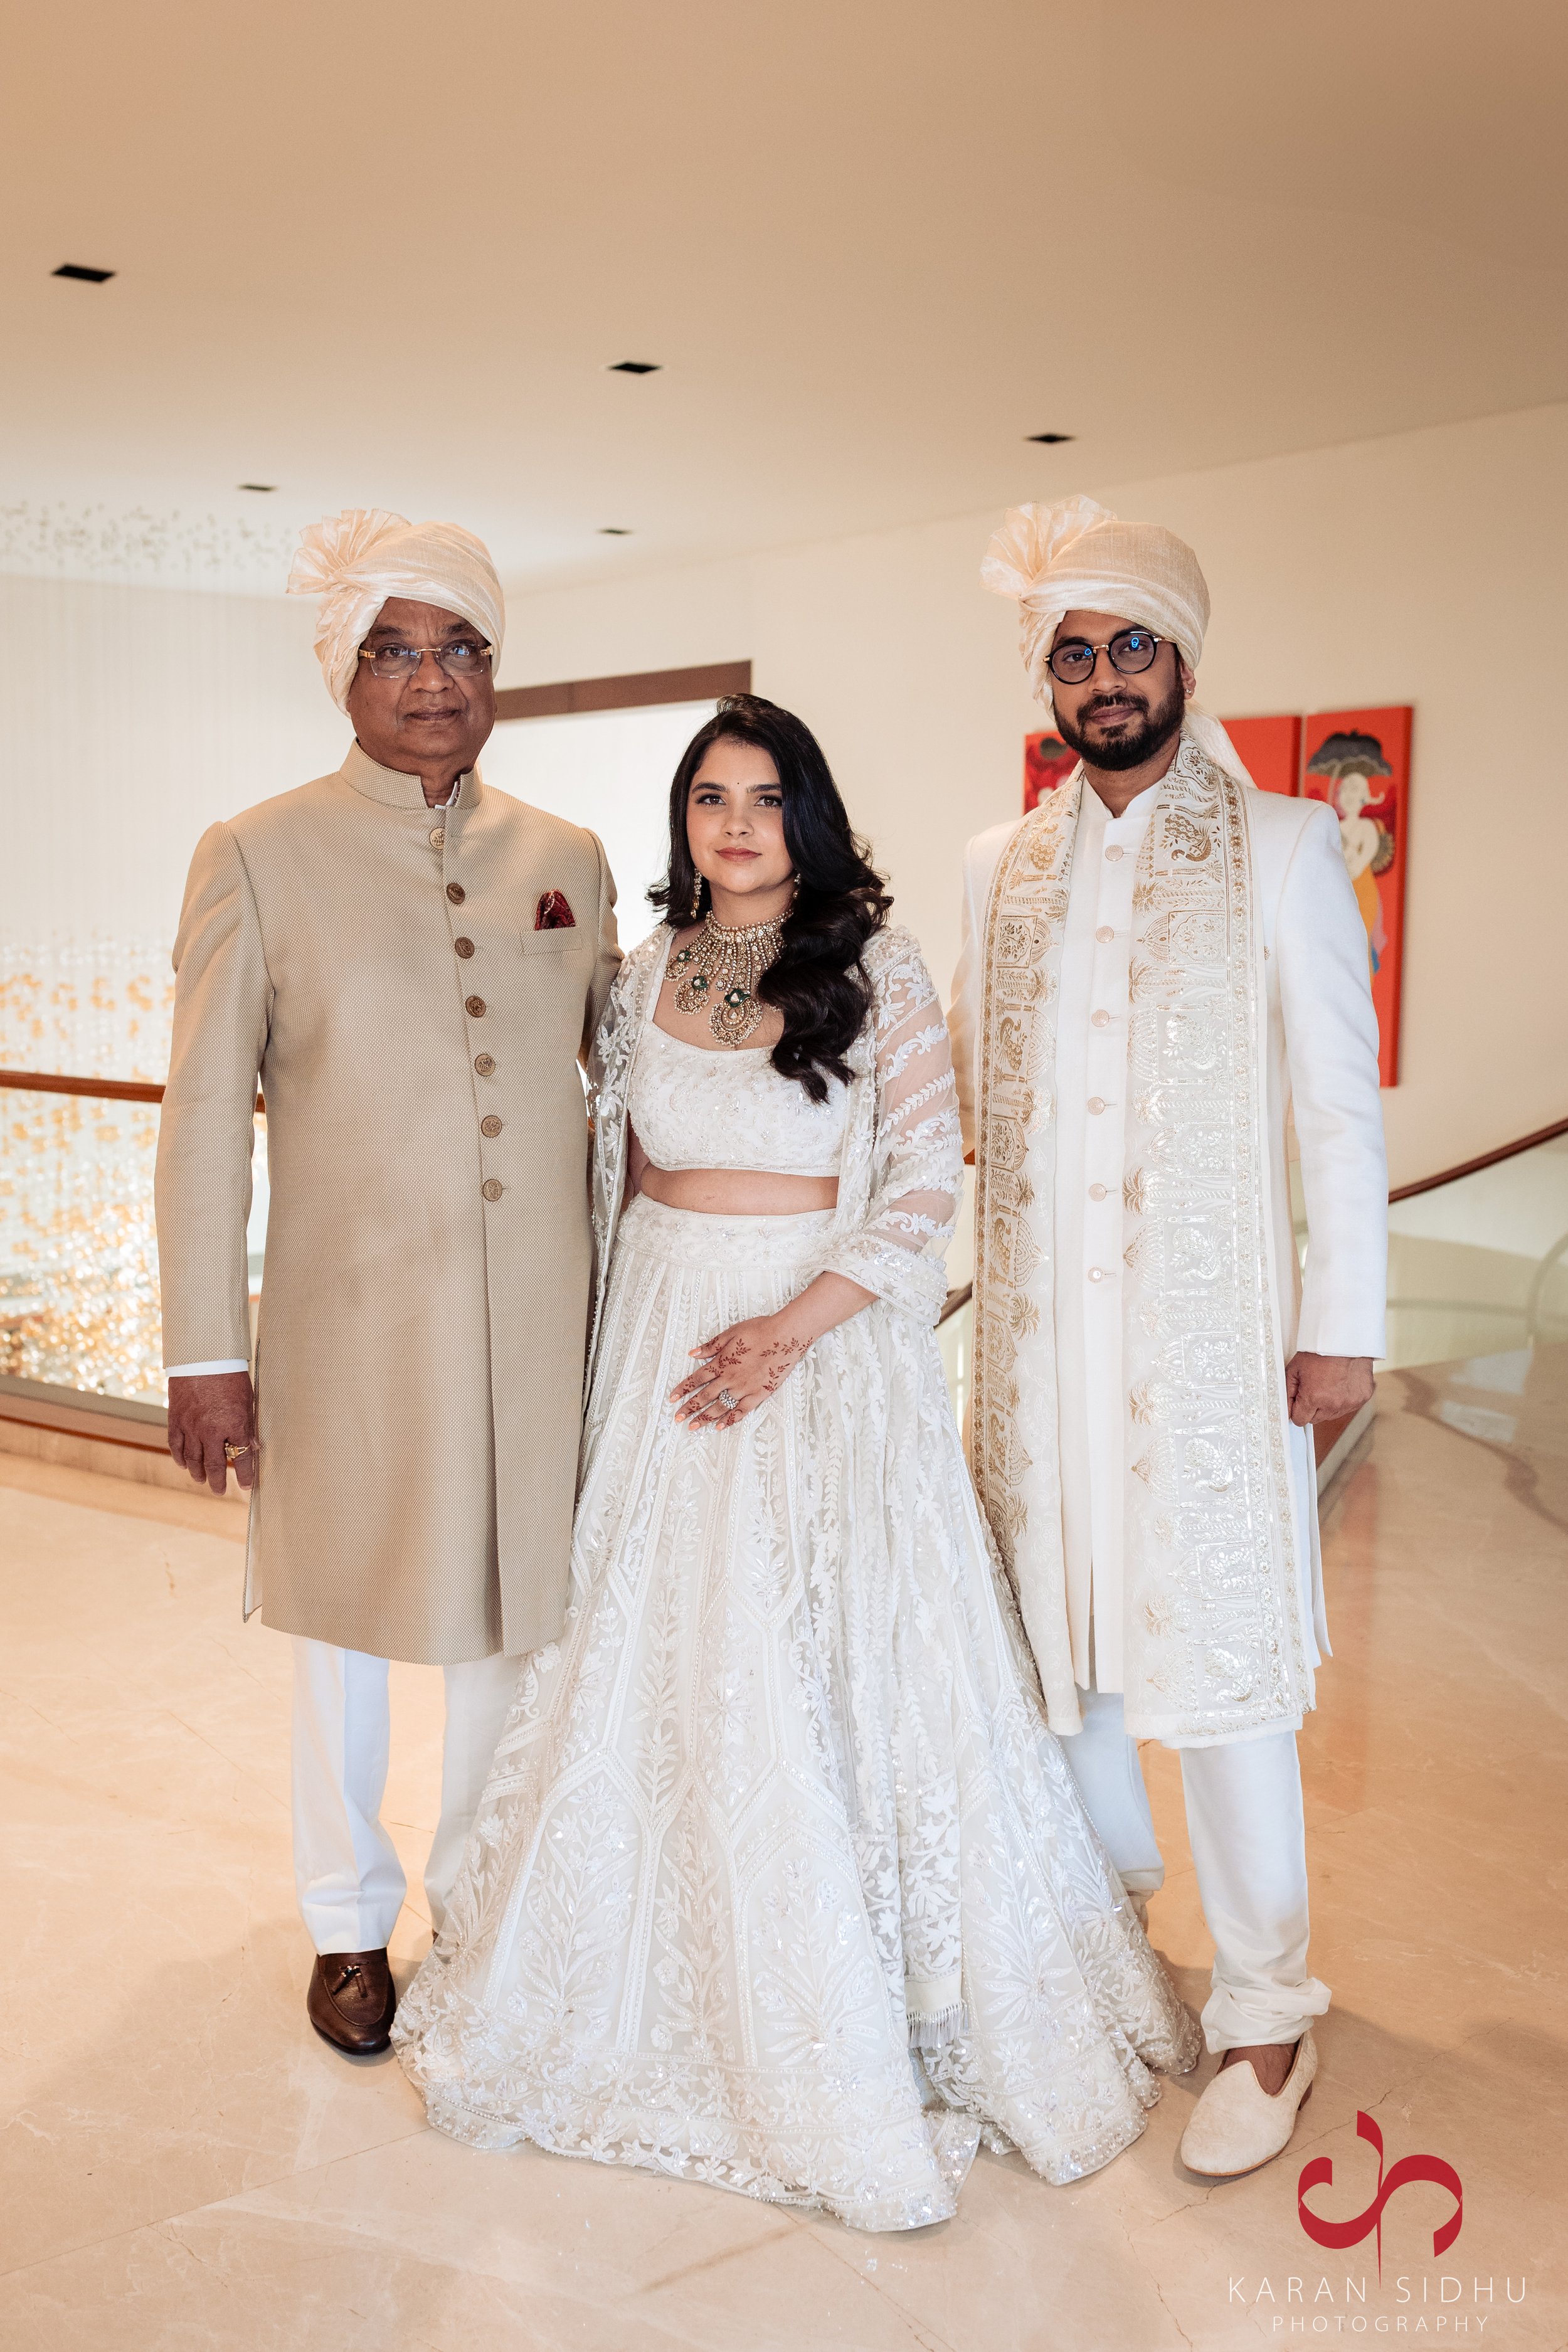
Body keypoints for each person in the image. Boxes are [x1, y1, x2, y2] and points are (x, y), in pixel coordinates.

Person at [393, 694, 1199, 2233]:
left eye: (766, 798)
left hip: (819, 1345)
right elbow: (612, 1182)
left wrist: (788, 1331)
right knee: (665, 1655)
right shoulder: (641, 977)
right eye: (711, 798)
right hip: (665, 1339)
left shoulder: (874, 967)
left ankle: (874, 1997)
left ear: (806, 816)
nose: (738, 825)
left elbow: (920, 1189)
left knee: (830, 1656)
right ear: (684, 822)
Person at [953, 497, 1387, 2178]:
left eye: (1129, 644)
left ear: (1183, 662)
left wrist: (1339, 1324)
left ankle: (1268, 1997)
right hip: (1039, 1346)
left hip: (1210, 1348)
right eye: (1073, 651)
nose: (1102, 677)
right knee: (1059, 1657)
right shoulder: (1003, 868)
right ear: (1047, 680)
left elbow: (1339, 1114)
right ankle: (1104, 1947)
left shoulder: (1283, 848)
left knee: (1215, 1675)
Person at [154, 509, 620, 2055]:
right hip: (347, 1330)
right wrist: (203, 1354)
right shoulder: (257, 854)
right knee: (347, 1634)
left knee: (507, 1627)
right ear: (344, 673)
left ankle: (473, 1907)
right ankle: (347, 1927)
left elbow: (628, 1095)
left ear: (497, 672)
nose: (433, 680)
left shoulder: (566, 860)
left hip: (538, 1328)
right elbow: (206, 1124)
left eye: (463, 648)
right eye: (397, 650)